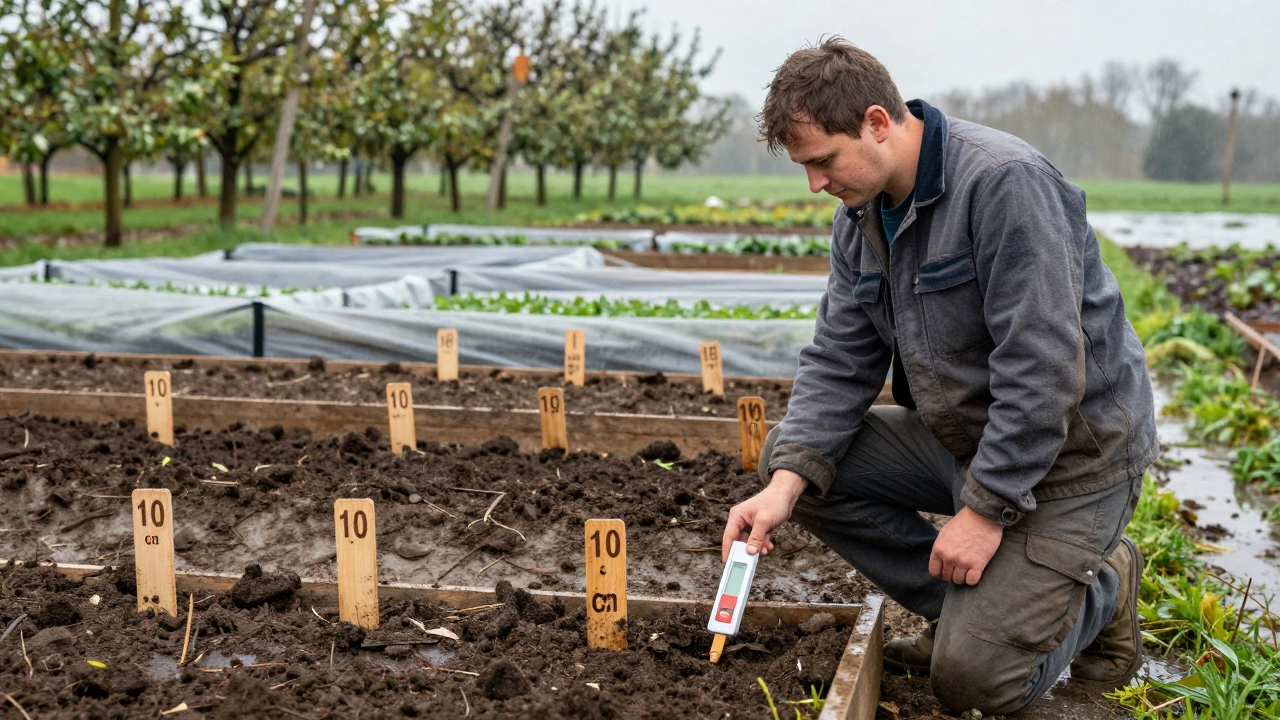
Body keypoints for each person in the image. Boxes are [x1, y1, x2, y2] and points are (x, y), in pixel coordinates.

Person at [720, 37, 1158, 715]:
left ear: (875, 122)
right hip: (966, 441)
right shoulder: (860, 218)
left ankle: (1104, 583)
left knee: (972, 684)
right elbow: (840, 359)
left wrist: (985, 511)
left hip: (1072, 460)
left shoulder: (1004, 184)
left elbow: (1043, 369)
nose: (815, 183)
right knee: (796, 461)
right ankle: (978, 613)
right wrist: (783, 489)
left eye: (823, 161)